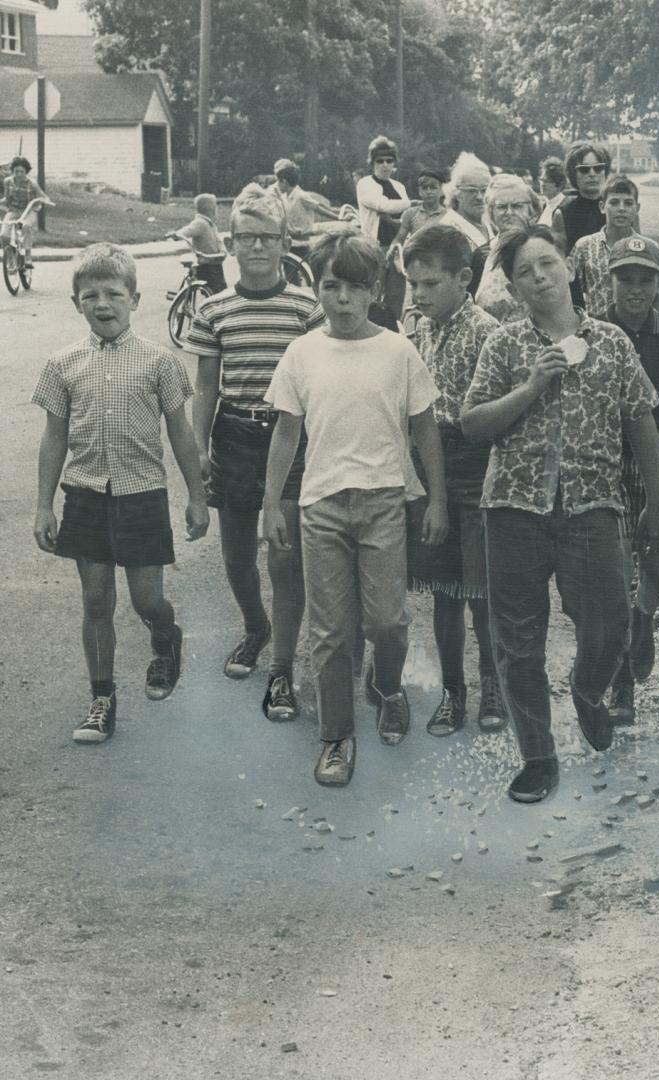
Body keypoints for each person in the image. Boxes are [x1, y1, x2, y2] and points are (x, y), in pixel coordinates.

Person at [461, 224, 659, 804]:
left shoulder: (611, 342)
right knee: (518, 640)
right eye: (525, 272)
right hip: (513, 508)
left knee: (609, 624)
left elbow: (640, 422)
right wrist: (530, 386)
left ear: (571, 268)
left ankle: (587, 690)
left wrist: (656, 504)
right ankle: (538, 756)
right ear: (513, 287)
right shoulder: (504, 344)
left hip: (591, 505)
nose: (540, 277)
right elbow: (473, 423)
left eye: (548, 264)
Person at [262, 233, 447, 787]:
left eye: (354, 288)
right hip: (321, 505)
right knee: (331, 631)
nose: (341, 299)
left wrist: (436, 498)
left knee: (387, 622)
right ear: (318, 288)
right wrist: (272, 502)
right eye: (330, 285)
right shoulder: (301, 353)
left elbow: (425, 429)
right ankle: (337, 736)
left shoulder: (397, 350)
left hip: (385, 501)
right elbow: (286, 432)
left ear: (374, 293)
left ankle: (388, 688)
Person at [32, 243, 210, 743]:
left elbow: (180, 433)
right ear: (76, 303)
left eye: (114, 293)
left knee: (147, 599)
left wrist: (196, 497)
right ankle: (102, 699)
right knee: (95, 601)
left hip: (141, 496)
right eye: (91, 295)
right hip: (86, 494)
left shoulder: (159, 362)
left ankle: (166, 638)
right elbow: (54, 438)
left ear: (135, 298)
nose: (102, 304)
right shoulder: (62, 363)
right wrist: (45, 505)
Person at [183, 184, 324, 720]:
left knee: (285, 557)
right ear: (231, 243)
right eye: (247, 238)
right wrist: (198, 449)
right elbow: (206, 388)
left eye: (268, 237)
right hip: (235, 435)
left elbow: (319, 386)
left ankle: (282, 669)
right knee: (237, 557)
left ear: (285, 242)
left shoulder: (306, 308)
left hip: (290, 437)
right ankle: (254, 628)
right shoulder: (215, 309)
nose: (258, 247)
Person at [402, 224, 508, 735]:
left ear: (464, 278)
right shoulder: (415, 332)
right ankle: (453, 690)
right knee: (444, 589)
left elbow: (493, 416)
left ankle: (493, 686)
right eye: (412, 284)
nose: (419, 295)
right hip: (429, 465)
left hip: (478, 465)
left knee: (482, 587)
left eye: (429, 284)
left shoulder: (489, 331)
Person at [602, 235, 659, 723]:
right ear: (609, 279)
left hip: (653, 456)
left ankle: (645, 619)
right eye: (625, 278)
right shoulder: (592, 328)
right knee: (614, 569)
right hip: (604, 460)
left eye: (645, 279)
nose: (635, 289)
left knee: (656, 556)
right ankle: (620, 685)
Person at [355, 135, 418, 324]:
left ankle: (394, 333)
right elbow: (383, 205)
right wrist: (411, 203)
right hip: (375, 248)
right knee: (372, 296)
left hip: (397, 249)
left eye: (389, 161)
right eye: (379, 161)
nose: (385, 165)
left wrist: (397, 217)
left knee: (395, 298)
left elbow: (405, 217)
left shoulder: (398, 186)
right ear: (372, 163)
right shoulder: (365, 184)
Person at [569, 173, 649, 318]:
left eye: (628, 203)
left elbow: (658, 297)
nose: (621, 209)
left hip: (635, 330)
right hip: (596, 331)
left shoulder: (647, 248)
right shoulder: (584, 246)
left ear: (637, 208)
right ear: (602, 207)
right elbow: (571, 292)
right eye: (614, 202)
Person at [474, 172, 537, 324]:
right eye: (501, 207)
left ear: (531, 209)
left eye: (517, 206)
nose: (509, 212)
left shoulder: (544, 247)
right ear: (491, 213)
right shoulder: (482, 255)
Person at [270, 158, 352, 257]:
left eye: (278, 181)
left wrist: (338, 218)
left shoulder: (300, 195)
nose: (276, 185)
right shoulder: (284, 196)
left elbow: (319, 208)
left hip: (303, 238)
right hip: (292, 239)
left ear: (284, 182)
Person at [388, 167, 462, 262]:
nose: (428, 192)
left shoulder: (449, 216)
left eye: (433, 188)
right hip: (415, 261)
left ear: (442, 191)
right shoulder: (410, 213)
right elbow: (400, 238)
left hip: (440, 261)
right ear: (419, 191)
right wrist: (394, 247)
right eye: (424, 188)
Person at [550, 141, 610, 254]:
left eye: (598, 168)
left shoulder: (619, 207)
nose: (592, 174)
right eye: (584, 169)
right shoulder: (563, 214)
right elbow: (559, 257)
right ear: (573, 174)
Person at [166, 193, 228, 294]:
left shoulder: (211, 224)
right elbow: (189, 230)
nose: (217, 210)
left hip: (215, 261)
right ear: (210, 209)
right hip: (206, 263)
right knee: (214, 289)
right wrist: (177, 234)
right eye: (215, 207)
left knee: (220, 288)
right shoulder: (200, 223)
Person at [2, 155, 53, 267]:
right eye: (16, 171)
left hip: (29, 210)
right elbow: (7, 200)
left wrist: (46, 200)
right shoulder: (8, 182)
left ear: (26, 172)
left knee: (26, 226)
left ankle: (28, 256)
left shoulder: (32, 184)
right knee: (4, 234)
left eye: (22, 171)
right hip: (14, 210)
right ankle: (10, 258)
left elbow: (43, 196)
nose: (19, 174)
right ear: (12, 171)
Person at [448, 152, 492, 252]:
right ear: (457, 193)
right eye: (472, 190)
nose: (480, 197)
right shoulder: (449, 229)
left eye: (484, 190)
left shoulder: (489, 223)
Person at [536, 156, 568, 226]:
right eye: (541, 180)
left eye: (548, 181)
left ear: (559, 184)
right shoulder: (544, 206)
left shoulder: (566, 207)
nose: (543, 184)